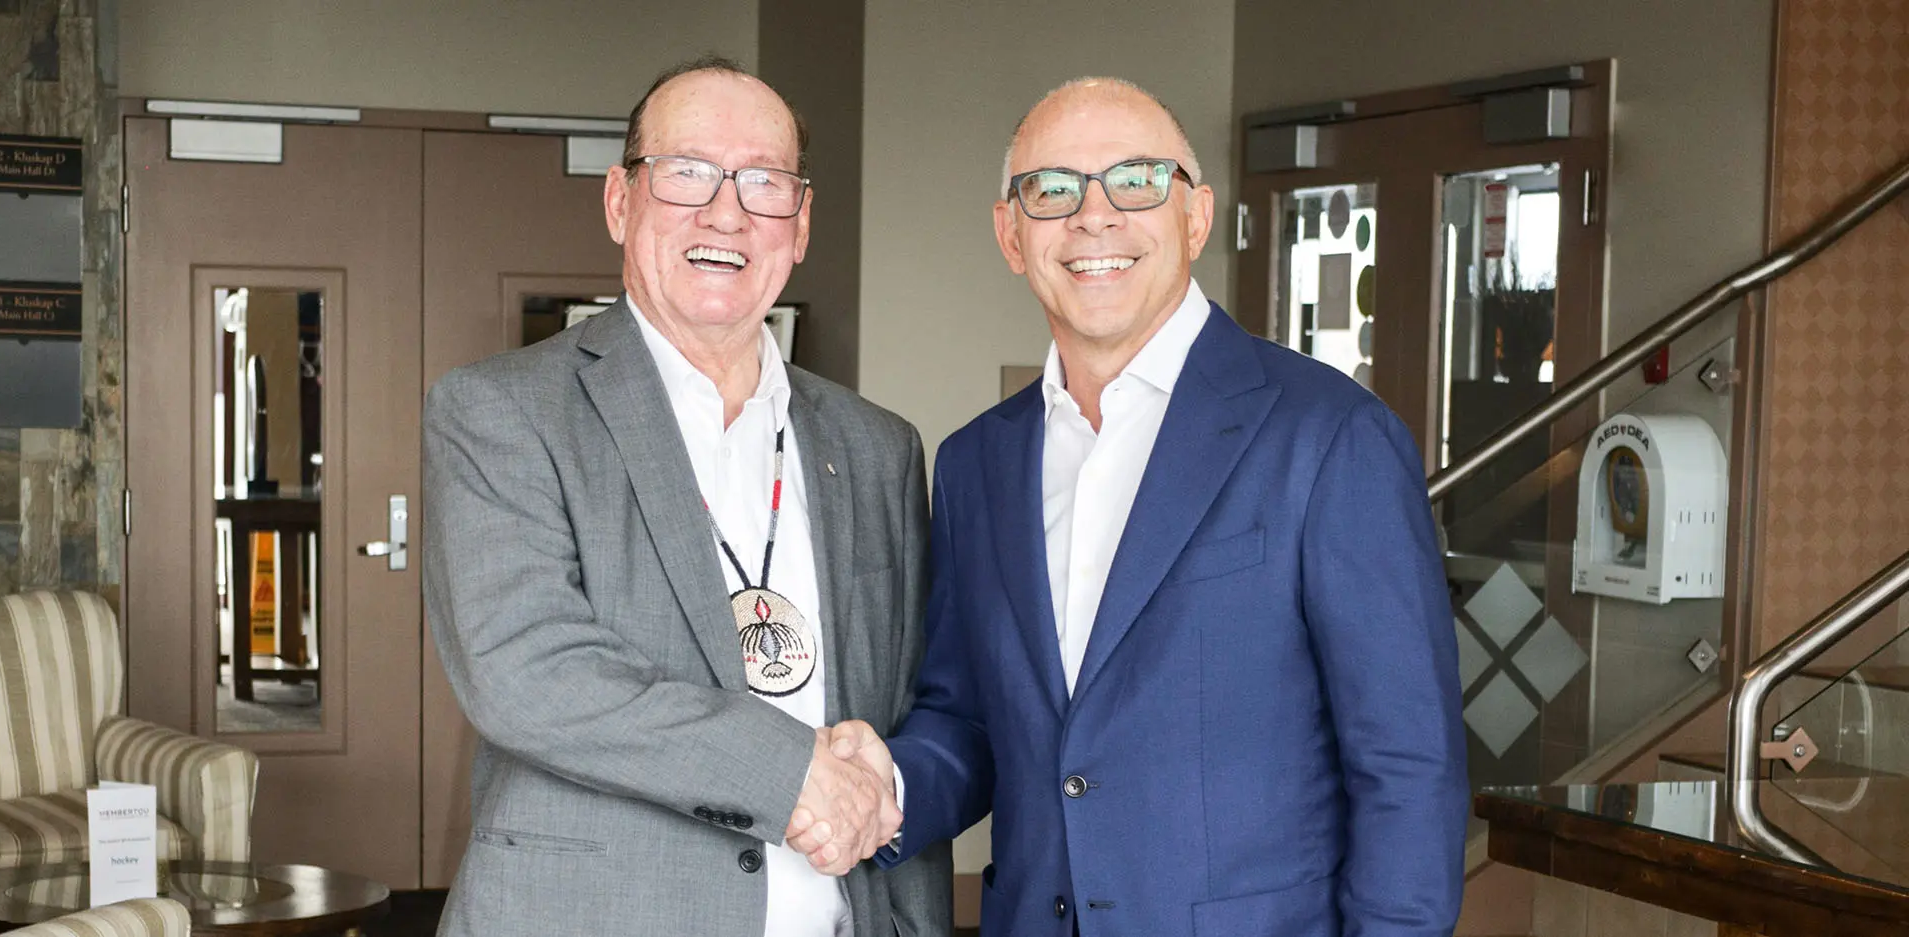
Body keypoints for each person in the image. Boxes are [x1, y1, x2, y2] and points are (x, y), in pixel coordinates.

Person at [801, 78, 1467, 936]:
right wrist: (886, 785)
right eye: (1054, 190)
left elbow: (1408, 767)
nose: (1095, 216)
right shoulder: (978, 462)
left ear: (1197, 216)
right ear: (1011, 232)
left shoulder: (1331, 437)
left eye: (1138, 180)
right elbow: (971, 716)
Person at [422, 56, 950, 937]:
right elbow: (526, 672)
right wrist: (790, 773)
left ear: (802, 221)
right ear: (620, 202)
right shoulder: (501, 411)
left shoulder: (878, 448)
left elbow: (909, 704)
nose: (726, 211)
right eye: (688, 173)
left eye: (763, 182)